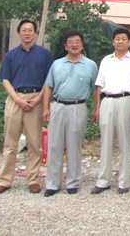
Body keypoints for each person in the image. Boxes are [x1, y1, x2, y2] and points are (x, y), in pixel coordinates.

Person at [0, 20, 54, 195]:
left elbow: (49, 80)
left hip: (36, 98)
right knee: (10, 143)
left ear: (35, 33)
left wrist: (39, 99)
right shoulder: (11, 55)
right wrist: (18, 100)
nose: (27, 33)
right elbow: (5, 79)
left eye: (30, 30)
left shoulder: (44, 54)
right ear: (19, 33)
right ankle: (4, 180)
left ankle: (33, 179)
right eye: (24, 30)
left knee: (34, 143)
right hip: (15, 98)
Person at [42, 29, 98, 196]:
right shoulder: (56, 64)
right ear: (65, 46)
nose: (74, 45)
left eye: (77, 42)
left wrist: (96, 107)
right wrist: (45, 108)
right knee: (54, 145)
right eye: (71, 42)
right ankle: (52, 183)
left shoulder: (91, 65)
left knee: (75, 145)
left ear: (82, 45)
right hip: (58, 106)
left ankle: (73, 182)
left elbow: (96, 88)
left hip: (78, 107)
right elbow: (48, 86)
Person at [91, 27, 130, 195]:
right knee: (105, 142)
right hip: (107, 101)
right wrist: (97, 106)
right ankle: (103, 181)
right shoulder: (106, 60)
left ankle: (123, 182)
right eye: (117, 39)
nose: (120, 42)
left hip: (126, 100)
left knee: (124, 141)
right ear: (113, 42)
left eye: (123, 39)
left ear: (129, 42)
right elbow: (99, 85)